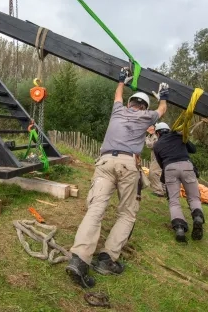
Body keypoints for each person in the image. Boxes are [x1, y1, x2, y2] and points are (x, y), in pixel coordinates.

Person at [65, 68, 169, 288]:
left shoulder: (118, 111)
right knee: (128, 213)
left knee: (95, 209)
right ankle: (106, 259)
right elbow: (163, 109)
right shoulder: (147, 116)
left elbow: (117, 95)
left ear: (131, 103)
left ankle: (79, 259)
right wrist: (164, 96)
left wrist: (122, 80)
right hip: (127, 164)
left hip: (104, 162)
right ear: (144, 106)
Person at [152, 122, 204, 242]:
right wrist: (184, 137)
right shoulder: (179, 136)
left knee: (174, 201)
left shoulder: (157, 145)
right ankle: (197, 216)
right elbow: (193, 149)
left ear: (158, 133)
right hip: (186, 166)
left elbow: (161, 164)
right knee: (194, 197)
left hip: (169, 168)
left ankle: (180, 228)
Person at [145, 126, 166, 197]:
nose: (150, 129)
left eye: (152, 127)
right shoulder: (149, 136)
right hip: (155, 157)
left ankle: (159, 191)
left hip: (159, 157)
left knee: (153, 173)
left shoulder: (157, 136)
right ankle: (165, 191)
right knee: (161, 175)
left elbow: (151, 145)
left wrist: (146, 139)